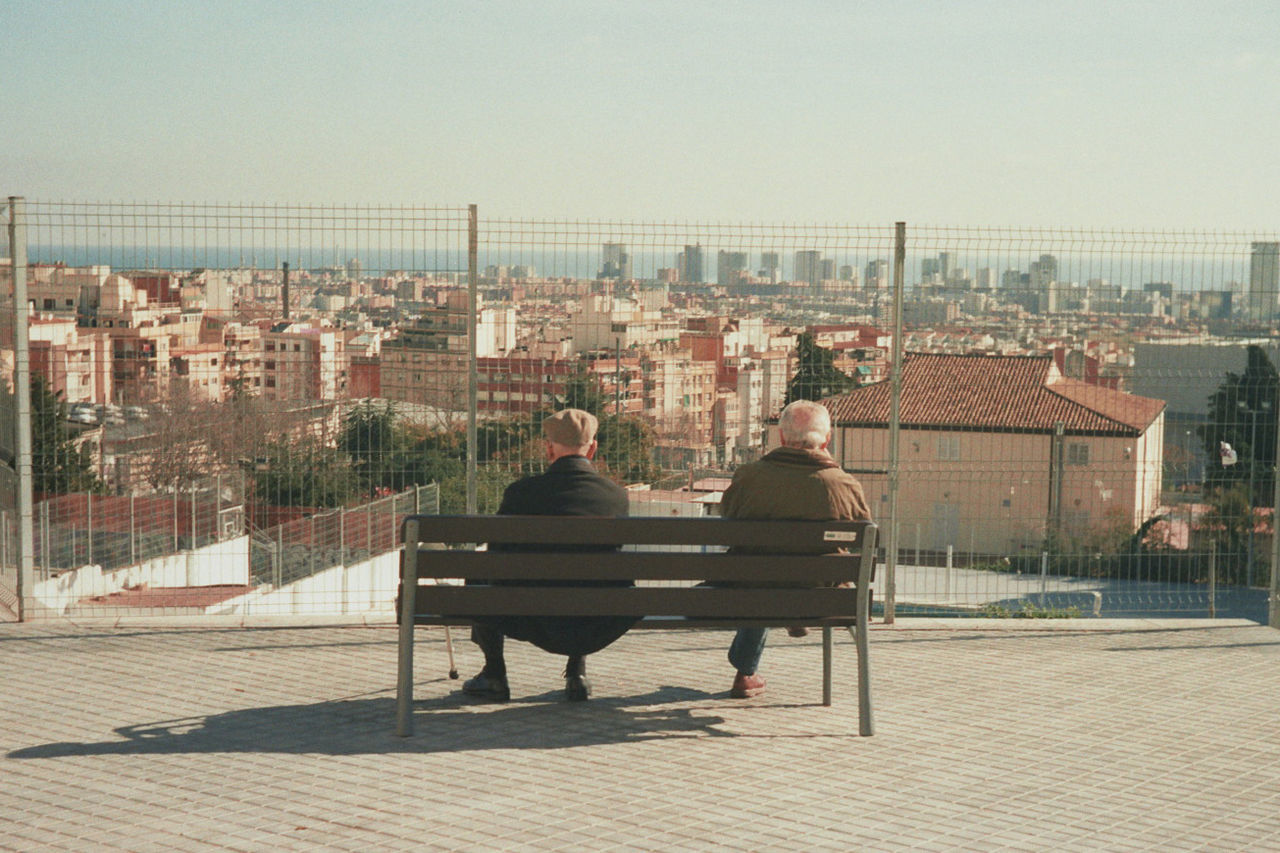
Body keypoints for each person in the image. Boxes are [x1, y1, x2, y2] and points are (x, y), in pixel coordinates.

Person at [462, 408, 634, 703]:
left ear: (549, 448)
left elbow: (497, 556)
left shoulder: (521, 493)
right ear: (592, 448)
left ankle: (494, 674)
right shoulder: (615, 497)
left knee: (480, 571)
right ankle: (576, 674)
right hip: (596, 619)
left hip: (532, 617)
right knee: (586, 578)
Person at [718, 399, 871, 699]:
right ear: (826, 440)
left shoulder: (749, 477)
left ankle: (745, 672)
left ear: (782, 438)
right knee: (784, 575)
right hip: (819, 593)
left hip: (751, 588)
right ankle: (794, 615)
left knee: (761, 570)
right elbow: (862, 534)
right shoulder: (843, 484)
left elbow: (726, 519)